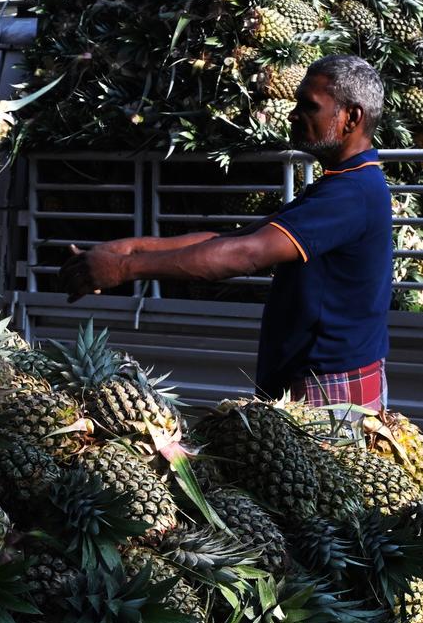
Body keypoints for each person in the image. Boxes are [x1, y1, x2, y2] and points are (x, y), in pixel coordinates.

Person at [60, 55, 392, 411]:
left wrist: (123, 270)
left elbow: (244, 254)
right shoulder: (341, 185)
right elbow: (231, 239)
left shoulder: (351, 194)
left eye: (309, 106)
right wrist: (129, 249)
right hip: (319, 380)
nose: (293, 115)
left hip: (328, 389)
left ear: (352, 118)